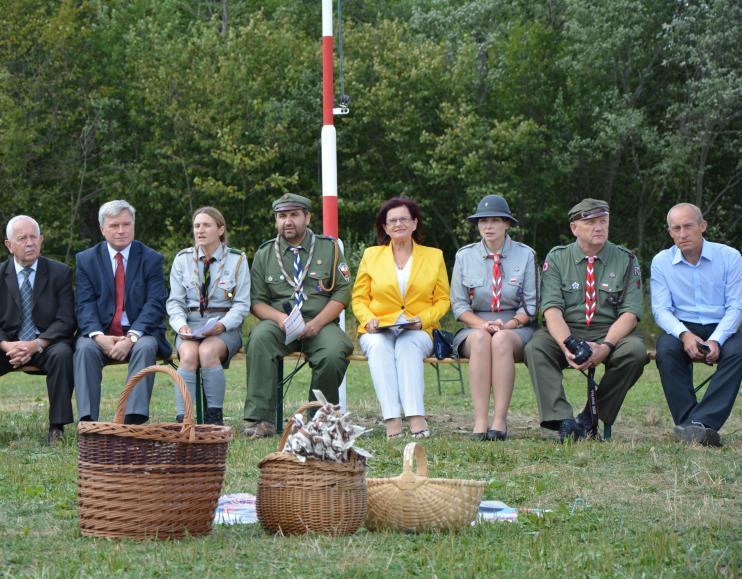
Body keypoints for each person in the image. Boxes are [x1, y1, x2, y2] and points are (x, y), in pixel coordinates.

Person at [524, 198, 649, 441]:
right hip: (567, 329)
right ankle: (563, 420)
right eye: (590, 222)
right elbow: (551, 310)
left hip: (609, 331)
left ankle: (591, 417)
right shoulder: (558, 258)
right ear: (574, 229)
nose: (599, 227)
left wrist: (605, 347)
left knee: (634, 351)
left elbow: (630, 314)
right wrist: (567, 345)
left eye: (603, 221)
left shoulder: (626, 259)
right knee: (536, 347)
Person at [243, 193, 353, 437]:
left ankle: (320, 421)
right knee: (259, 338)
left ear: (307, 217)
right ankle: (261, 420)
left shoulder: (330, 248)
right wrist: (280, 319)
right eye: (282, 216)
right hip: (280, 323)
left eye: (294, 215)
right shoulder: (265, 254)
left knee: (334, 352)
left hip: (320, 323)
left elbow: (343, 292)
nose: (287, 221)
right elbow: (257, 301)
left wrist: (317, 323)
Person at [352, 197, 450, 439]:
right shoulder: (371, 255)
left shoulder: (434, 256)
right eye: (392, 221)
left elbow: (443, 300)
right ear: (385, 228)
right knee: (377, 346)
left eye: (404, 219)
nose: (398, 224)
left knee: (407, 344)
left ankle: (416, 418)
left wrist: (422, 319)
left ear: (414, 223)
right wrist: (368, 319)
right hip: (379, 328)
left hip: (418, 329)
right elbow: (359, 298)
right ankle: (392, 421)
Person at [650, 203, 741, 447]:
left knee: (739, 351)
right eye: (676, 228)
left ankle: (698, 423)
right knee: (666, 349)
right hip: (683, 325)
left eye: (688, 226)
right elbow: (660, 310)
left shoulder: (730, 257)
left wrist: (716, 339)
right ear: (670, 232)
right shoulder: (661, 262)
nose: (682, 234)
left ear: (703, 226)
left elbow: (736, 307)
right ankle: (696, 427)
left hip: (721, 325)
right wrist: (684, 334)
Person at [74, 200, 171, 424]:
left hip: (140, 332)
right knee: (84, 348)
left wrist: (132, 337)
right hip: (102, 332)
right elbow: (84, 304)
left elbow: (156, 303)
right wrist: (99, 337)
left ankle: (132, 419)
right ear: (102, 229)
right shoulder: (86, 260)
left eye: (126, 224)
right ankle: (88, 422)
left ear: (134, 226)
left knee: (147, 346)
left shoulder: (151, 259)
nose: (121, 230)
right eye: (114, 225)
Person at [450, 195, 537, 441]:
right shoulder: (464, 256)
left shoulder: (526, 255)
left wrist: (508, 325)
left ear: (507, 224)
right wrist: (482, 325)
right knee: (480, 339)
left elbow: (531, 305)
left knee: (500, 340)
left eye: (495, 220)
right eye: (483, 221)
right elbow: (458, 304)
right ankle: (480, 420)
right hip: (475, 324)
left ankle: (499, 420)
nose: (488, 226)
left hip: (516, 325)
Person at [167, 207, 250, 425]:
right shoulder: (182, 259)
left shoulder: (237, 260)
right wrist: (180, 326)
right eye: (197, 226)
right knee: (187, 355)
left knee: (207, 351)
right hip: (191, 324)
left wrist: (222, 326)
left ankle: (214, 421)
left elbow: (242, 304)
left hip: (224, 326)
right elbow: (175, 302)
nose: (200, 230)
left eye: (207, 225)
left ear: (220, 229)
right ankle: (183, 420)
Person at [0, 216, 75, 444]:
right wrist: (6, 344)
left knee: (63, 354)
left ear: (41, 240)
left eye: (34, 237)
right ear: (9, 244)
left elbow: (66, 320)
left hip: (45, 344)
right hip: (8, 345)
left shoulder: (60, 273)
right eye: (22, 238)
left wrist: (36, 344)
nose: (30, 243)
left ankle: (57, 427)